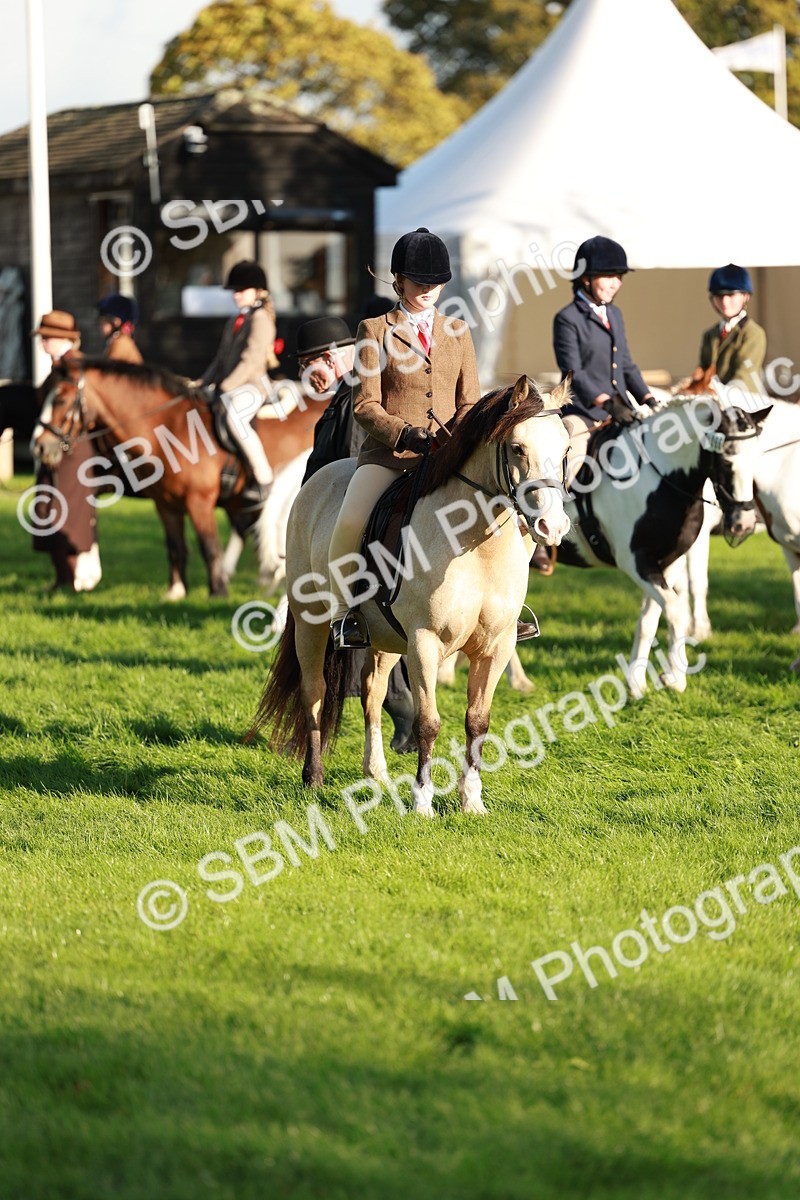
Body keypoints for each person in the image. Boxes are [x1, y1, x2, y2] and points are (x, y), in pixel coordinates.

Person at [326, 227, 480, 650]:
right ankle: (344, 613)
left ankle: (503, 610)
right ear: (399, 281)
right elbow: (365, 405)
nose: (428, 289)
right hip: (390, 456)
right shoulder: (374, 330)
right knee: (352, 520)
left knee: (502, 512)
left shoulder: (459, 331)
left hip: (448, 457)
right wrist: (404, 433)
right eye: (419, 281)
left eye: (435, 282)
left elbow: (470, 401)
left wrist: (459, 439)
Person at [296, 314, 415, 751]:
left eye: (307, 365)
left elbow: (349, 469)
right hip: (321, 524)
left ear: (328, 357)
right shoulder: (338, 402)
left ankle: (401, 710)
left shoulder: (354, 404)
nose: (304, 377)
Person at [30, 311, 101, 591]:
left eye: (46, 338)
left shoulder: (76, 368)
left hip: (73, 451)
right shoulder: (60, 367)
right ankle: (62, 578)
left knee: (69, 514)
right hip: (55, 449)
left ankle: (71, 579)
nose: (43, 343)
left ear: (62, 339)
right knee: (49, 508)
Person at [553, 235, 657, 429]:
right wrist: (608, 404)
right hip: (584, 413)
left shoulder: (615, 314)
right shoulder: (567, 318)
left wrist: (648, 398)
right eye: (609, 276)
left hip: (622, 409)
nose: (616, 284)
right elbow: (575, 373)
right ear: (586, 278)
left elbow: (625, 364)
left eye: (619, 277)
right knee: (575, 452)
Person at [199, 260, 278, 504]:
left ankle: (263, 477)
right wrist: (202, 383)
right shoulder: (235, 320)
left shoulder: (262, 319)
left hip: (253, 386)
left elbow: (251, 361)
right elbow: (220, 359)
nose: (236, 295)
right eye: (235, 291)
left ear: (258, 291)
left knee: (235, 415)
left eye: (241, 290)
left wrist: (224, 387)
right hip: (232, 385)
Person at [695, 264, 766, 397]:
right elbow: (703, 369)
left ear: (746, 296)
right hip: (715, 400)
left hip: (745, 401)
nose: (725, 302)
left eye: (731, 295)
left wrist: (720, 395)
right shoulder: (709, 334)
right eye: (719, 296)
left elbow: (744, 375)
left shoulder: (753, 333)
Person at [97, 293, 143, 363]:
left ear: (116, 322)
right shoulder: (119, 340)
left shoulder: (121, 343)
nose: (100, 325)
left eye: (104, 320)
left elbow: (107, 371)